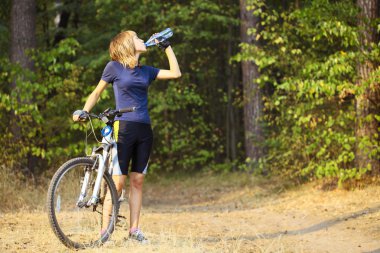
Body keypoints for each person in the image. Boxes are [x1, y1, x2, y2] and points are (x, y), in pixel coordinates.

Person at [73, 30, 181, 243]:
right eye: (137, 38)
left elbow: (176, 73)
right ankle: (104, 231)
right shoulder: (114, 68)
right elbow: (96, 92)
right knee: (118, 182)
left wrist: (166, 46)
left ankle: (134, 230)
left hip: (144, 129)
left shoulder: (146, 71)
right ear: (127, 45)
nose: (142, 39)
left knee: (138, 180)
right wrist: (83, 110)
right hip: (123, 127)